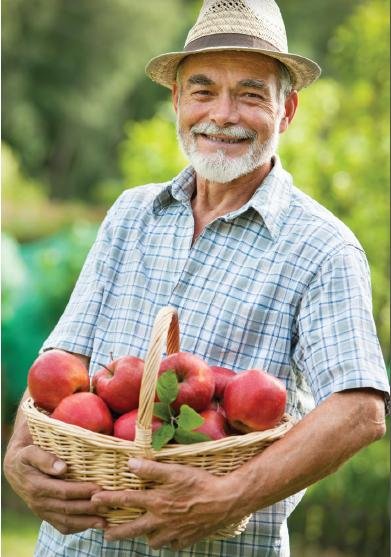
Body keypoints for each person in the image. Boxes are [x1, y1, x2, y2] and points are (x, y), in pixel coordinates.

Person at [4, 1, 390, 555]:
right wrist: (18, 455)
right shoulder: (130, 216)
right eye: (203, 90)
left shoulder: (321, 247)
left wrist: (229, 495)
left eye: (252, 94)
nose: (223, 114)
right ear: (177, 101)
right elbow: (63, 355)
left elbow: (360, 410)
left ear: (287, 111)